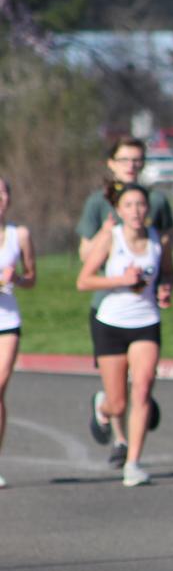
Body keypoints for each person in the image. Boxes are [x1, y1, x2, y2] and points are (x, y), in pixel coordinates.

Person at [78, 135, 173, 461]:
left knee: (142, 383)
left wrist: (162, 283)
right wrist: (110, 237)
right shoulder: (98, 204)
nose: (131, 165)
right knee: (117, 391)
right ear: (112, 163)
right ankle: (119, 435)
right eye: (124, 159)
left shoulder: (157, 201)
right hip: (107, 306)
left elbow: (166, 246)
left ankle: (130, 450)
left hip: (144, 308)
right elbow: (85, 257)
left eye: (136, 159)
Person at [0, 177, 38, 489]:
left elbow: (31, 278)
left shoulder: (19, 234)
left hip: (7, 321)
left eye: (1, 192)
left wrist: (17, 279)